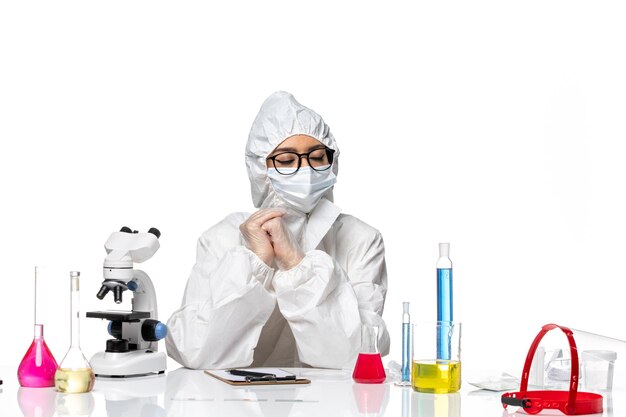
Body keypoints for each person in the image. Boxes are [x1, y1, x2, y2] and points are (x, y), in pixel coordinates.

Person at [166, 91, 389, 369]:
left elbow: (357, 356)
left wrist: (296, 263)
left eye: (317, 157)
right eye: (285, 161)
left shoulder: (361, 239)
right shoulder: (223, 238)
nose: (305, 169)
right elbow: (194, 351)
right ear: (261, 168)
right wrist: (257, 262)